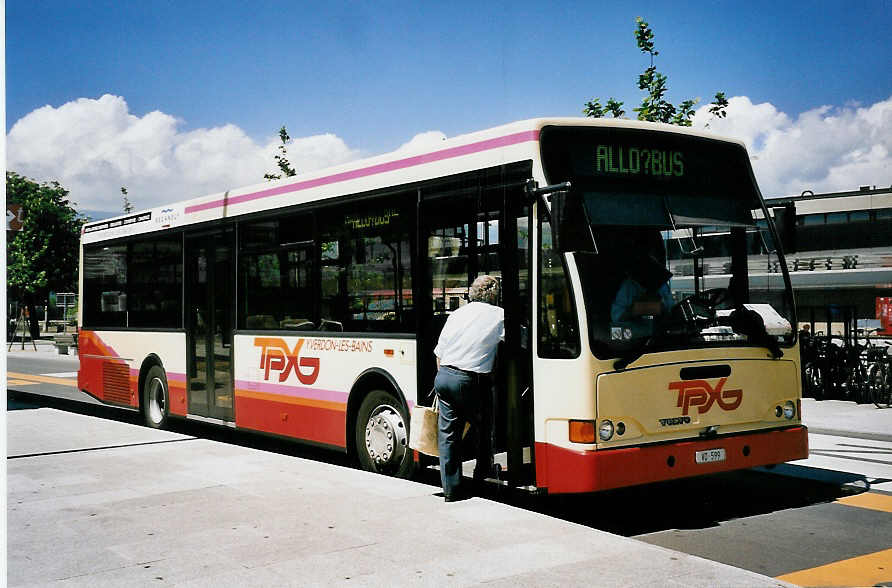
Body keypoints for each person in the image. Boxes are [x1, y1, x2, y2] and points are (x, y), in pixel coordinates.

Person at [433, 274, 504, 502]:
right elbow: (522, 341)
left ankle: (451, 489)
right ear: (494, 294)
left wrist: (444, 377)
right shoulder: (499, 315)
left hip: (444, 375)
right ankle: (483, 473)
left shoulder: (457, 314)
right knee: (484, 425)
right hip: (470, 380)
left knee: (448, 435)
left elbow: (439, 352)